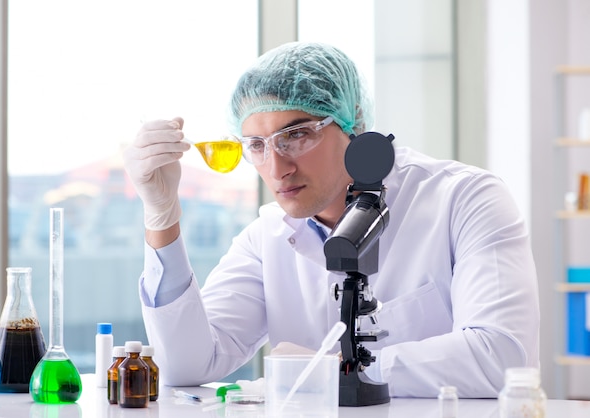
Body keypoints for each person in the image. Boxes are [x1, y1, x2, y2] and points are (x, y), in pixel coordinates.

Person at [123, 42, 540, 398]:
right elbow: (188, 365)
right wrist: (162, 217)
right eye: (256, 144)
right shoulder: (266, 237)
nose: (276, 168)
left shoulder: (465, 200)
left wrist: (339, 370)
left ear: (352, 124)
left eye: (297, 135)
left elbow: (501, 355)